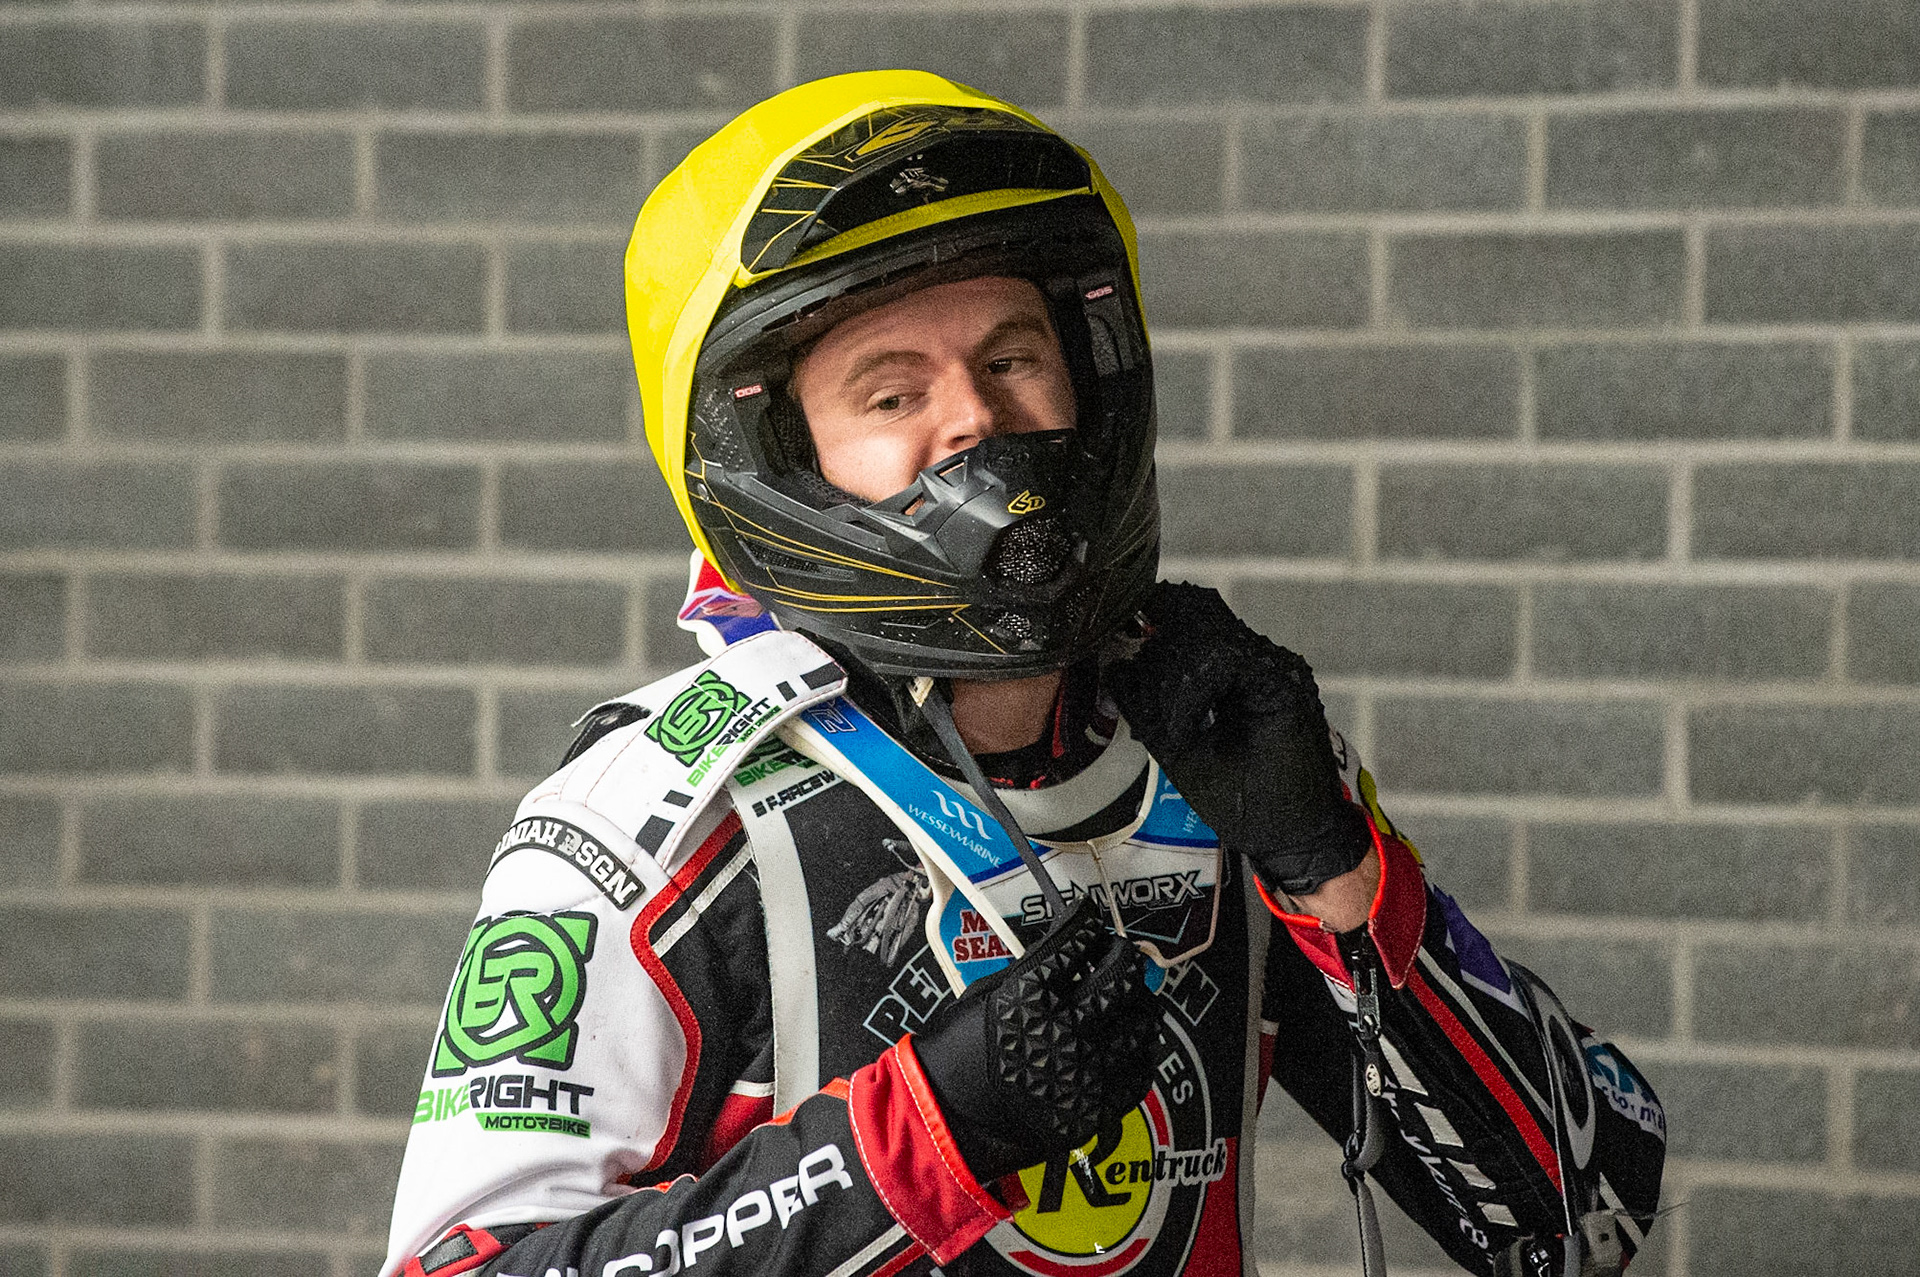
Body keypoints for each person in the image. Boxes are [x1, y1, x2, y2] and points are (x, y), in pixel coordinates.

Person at [380, 71, 1666, 1277]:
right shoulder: (659, 813)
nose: (977, 422)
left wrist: (1339, 874)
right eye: (891, 395)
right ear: (775, 450)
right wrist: (915, 1142)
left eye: (1010, 357)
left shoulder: (1204, 750)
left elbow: (1585, 1207)